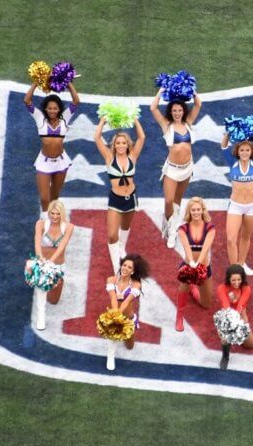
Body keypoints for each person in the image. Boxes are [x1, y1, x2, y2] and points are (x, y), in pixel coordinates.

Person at [94, 117, 146, 275]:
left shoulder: (132, 157)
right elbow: (97, 138)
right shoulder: (109, 157)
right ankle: (117, 267)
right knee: (111, 235)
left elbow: (142, 137)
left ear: (128, 144)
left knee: (125, 227)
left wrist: (135, 120)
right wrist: (102, 121)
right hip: (115, 200)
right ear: (114, 145)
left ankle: (122, 249)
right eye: (118, 143)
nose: (121, 145)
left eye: (124, 143)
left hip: (131, 198)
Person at [150, 90, 202, 248]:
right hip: (172, 169)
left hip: (187, 168)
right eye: (174, 111)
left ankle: (173, 230)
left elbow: (198, 104)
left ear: (183, 111)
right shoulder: (166, 125)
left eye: (179, 110)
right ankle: (168, 225)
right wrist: (160, 92)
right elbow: (153, 108)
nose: (177, 113)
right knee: (168, 201)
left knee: (177, 201)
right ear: (170, 112)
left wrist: (192, 90)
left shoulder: (188, 122)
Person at [23, 81, 80, 219]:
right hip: (44, 162)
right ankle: (44, 222)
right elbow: (27, 101)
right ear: (45, 109)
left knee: (54, 198)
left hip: (61, 162)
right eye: (50, 108)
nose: (52, 111)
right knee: (44, 198)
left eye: (55, 108)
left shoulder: (64, 118)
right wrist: (36, 83)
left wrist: (68, 83)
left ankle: (52, 224)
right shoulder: (40, 118)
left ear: (59, 109)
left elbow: (76, 101)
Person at [220, 132, 253, 276]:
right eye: (242, 150)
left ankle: (241, 264)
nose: (245, 152)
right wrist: (229, 132)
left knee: (245, 237)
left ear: (251, 151)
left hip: (252, 206)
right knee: (231, 239)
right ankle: (233, 269)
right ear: (237, 151)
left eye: (247, 150)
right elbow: (223, 146)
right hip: (235, 206)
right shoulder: (232, 162)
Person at [29, 200, 74, 330]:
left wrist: (51, 262)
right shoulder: (41, 224)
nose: (54, 216)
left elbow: (62, 247)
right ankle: (41, 316)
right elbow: (37, 242)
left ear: (62, 214)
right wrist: (40, 259)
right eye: (52, 213)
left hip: (58, 265)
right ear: (48, 213)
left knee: (54, 301)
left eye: (57, 214)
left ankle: (54, 283)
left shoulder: (69, 227)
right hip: (42, 262)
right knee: (42, 288)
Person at [175, 197, 216, 331]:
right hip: (188, 266)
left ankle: (193, 289)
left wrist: (199, 263)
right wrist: (192, 262)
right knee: (183, 289)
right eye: (193, 210)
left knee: (206, 304)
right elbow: (186, 247)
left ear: (203, 210)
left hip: (204, 267)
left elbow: (206, 248)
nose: (196, 212)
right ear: (189, 211)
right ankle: (179, 317)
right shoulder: (183, 229)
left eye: (198, 209)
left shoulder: (210, 228)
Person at [104, 254, 149, 371]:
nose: (125, 268)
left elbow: (126, 302)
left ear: (133, 271)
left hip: (128, 320)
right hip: (114, 315)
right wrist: (115, 317)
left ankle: (124, 339)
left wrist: (118, 315)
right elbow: (113, 298)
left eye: (129, 267)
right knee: (113, 337)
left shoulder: (136, 284)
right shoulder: (111, 280)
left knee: (130, 346)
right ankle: (110, 356)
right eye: (124, 265)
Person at [216, 264, 253, 370]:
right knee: (226, 337)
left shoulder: (246, 288)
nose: (236, 282)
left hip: (240, 316)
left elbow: (241, 305)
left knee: (251, 345)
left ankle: (236, 337)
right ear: (228, 279)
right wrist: (231, 322)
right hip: (226, 316)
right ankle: (225, 356)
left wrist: (238, 321)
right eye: (233, 280)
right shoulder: (221, 288)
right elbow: (225, 305)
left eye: (239, 279)